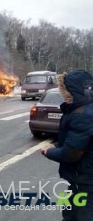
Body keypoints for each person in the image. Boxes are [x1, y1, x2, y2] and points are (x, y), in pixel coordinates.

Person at [41, 70, 93, 221]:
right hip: (78, 181)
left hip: (85, 182)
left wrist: (48, 151)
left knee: (76, 216)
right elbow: (79, 140)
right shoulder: (84, 109)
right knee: (68, 212)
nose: (62, 94)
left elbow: (70, 154)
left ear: (74, 91)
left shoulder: (82, 115)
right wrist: (57, 144)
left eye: (63, 90)